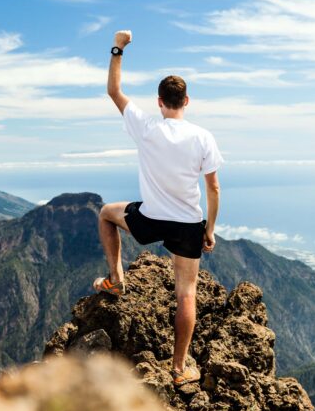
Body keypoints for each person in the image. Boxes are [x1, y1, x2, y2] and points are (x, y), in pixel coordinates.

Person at [93, 30, 223, 386]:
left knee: (106, 212)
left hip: (149, 219)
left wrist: (119, 47)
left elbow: (114, 92)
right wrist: (208, 230)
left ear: (160, 102)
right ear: (187, 101)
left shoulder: (147, 127)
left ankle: (116, 279)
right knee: (186, 294)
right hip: (187, 225)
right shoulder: (203, 137)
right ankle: (179, 368)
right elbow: (212, 187)